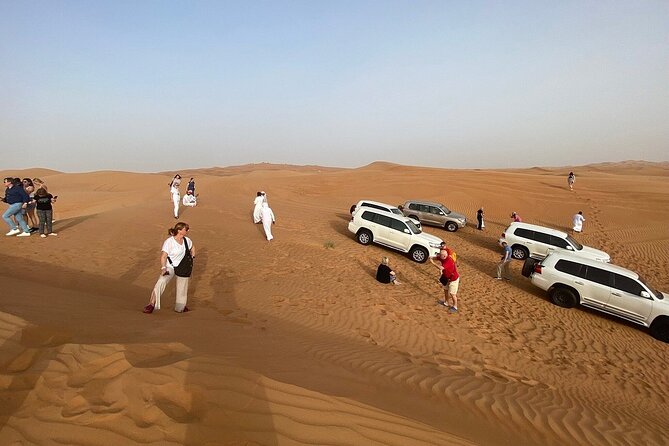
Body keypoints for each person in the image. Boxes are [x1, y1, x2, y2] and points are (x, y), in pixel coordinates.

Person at [143, 222, 195, 314]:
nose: (188, 230)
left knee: (182, 287)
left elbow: (192, 247)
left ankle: (180, 307)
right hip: (170, 267)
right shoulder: (169, 242)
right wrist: (163, 268)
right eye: (186, 229)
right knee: (161, 282)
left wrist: (192, 256)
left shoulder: (187, 240)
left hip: (182, 267)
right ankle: (151, 304)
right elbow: (164, 256)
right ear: (179, 230)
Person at [429, 248, 460, 313]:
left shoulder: (449, 260)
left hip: (453, 279)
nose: (439, 256)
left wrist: (433, 263)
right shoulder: (442, 257)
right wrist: (431, 257)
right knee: (445, 290)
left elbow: (441, 268)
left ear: (444, 256)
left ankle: (455, 306)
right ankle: (446, 302)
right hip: (446, 277)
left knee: (452, 294)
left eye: (440, 255)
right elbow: (436, 257)